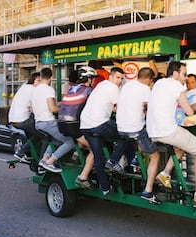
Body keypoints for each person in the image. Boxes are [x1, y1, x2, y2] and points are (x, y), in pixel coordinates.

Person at [146, 61, 196, 203]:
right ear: (175, 73)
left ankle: (165, 173)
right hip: (167, 130)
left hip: (153, 131)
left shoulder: (159, 83)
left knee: (181, 147)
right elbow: (189, 112)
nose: (185, 78)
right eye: (184, 74)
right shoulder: (176, 86)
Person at [80, 67, 132, 196]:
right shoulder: (113, 88)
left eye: (121, 78)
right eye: (117, 77)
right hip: (99, 123)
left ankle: (105, 188)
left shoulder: (101, 85)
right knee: (125, 134)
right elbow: (120, 110)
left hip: (86, 125)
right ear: (111, 76)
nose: (119, 81)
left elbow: (110, 106)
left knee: (98, 157)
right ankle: (113, 162)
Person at [116, 67, 160, 204]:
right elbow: (152, 109)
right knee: (155, 156)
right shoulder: (145, 89)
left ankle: (136, 159)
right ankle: (148, 191)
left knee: (145, 134)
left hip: (121, 129)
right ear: (148, 79)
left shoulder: (126, 86)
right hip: (135, 129)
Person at [57, 66, 97, 189]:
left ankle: (76, 153)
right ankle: (83, 177)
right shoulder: (88, 90)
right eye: (92, 78)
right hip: (74, 125)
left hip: (62, 123)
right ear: (88, 79)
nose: (94, 81)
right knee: (97, 149)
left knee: (83, 140)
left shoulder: (72, 88)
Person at [31, 67, 75, 173]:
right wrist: (64, 110)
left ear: (40, 77)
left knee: (57, 140)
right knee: (70, 142)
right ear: (51, 77)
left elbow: (32, 108)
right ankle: (50, 162)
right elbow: (52, 109)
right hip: (48, 122)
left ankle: (44, 160)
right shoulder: (48, 89)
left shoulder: (35, 90)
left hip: (38, 123)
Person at [9, 72, 48, 164]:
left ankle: (25, 153)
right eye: (39, 80)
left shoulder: (24, 86)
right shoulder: (33, 90)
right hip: (22, 119)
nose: (40, 83)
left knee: (37, 135)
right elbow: (33, 108)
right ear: (34, 80)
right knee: (45, 136)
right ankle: (42, 162)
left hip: (13, 119)